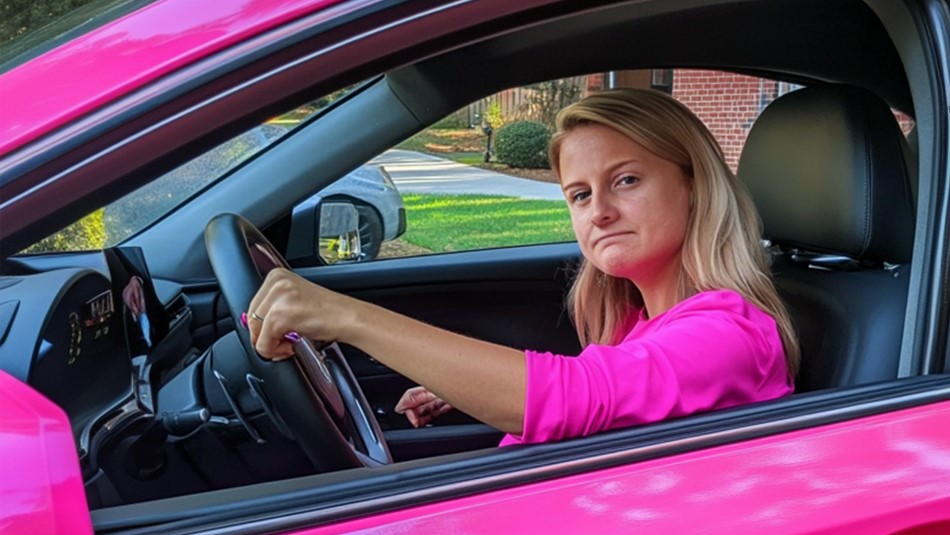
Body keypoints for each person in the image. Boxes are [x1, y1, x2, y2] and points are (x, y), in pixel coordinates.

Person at [247, 88, 798, 445]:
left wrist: (346, 317)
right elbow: (598, 400)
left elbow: (575, 397)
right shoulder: (640, 324)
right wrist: (466, 387)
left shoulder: (731, 334)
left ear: (695, 186)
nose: (600, 211)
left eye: (626, 180)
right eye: (580, 195)